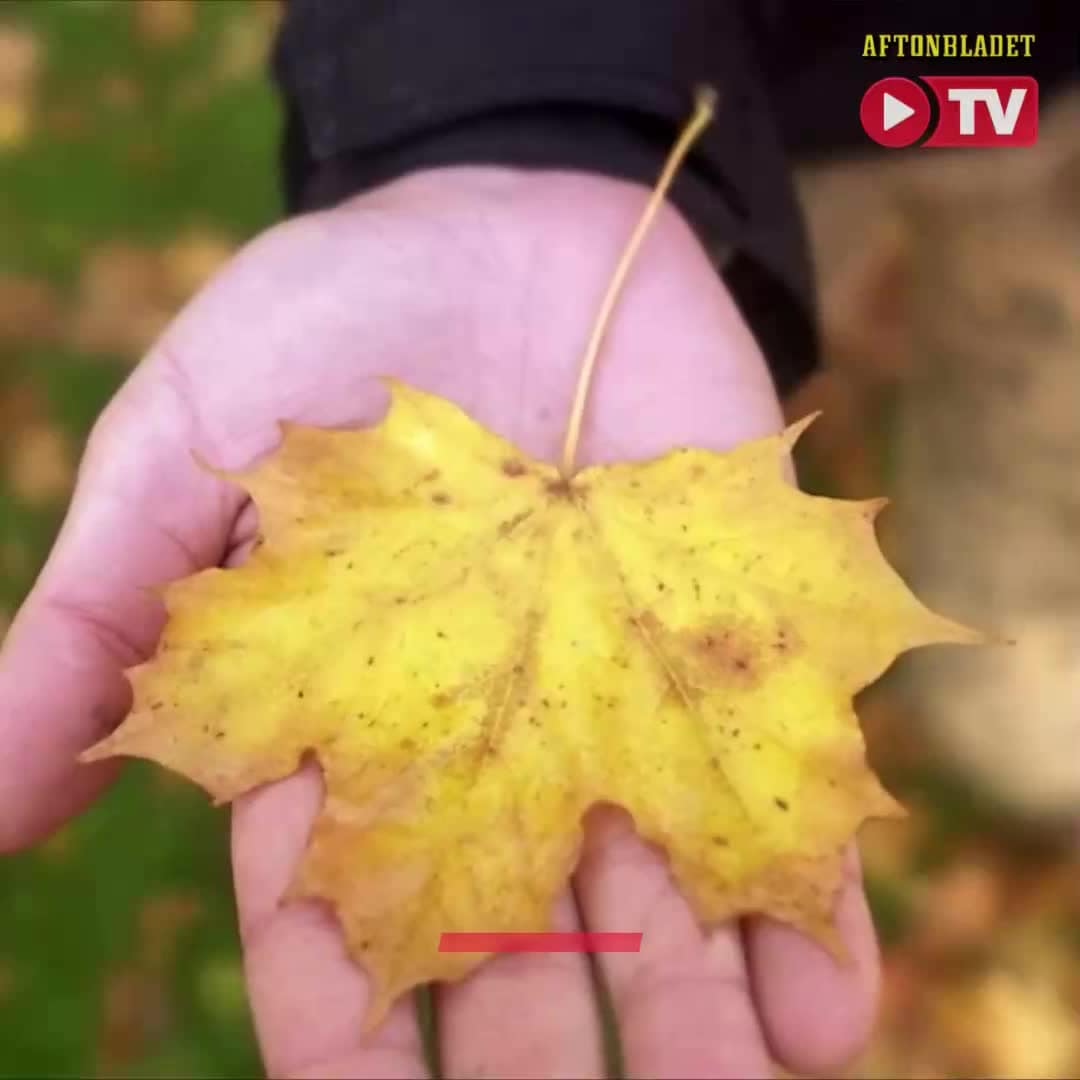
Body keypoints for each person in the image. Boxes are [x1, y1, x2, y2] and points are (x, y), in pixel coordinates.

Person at [0, 3, 1075, 1078]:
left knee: (1039, 364)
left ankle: (1024, 621)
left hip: (1039, 87)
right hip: (729, 108)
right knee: (765, 279)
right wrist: (515, 111)